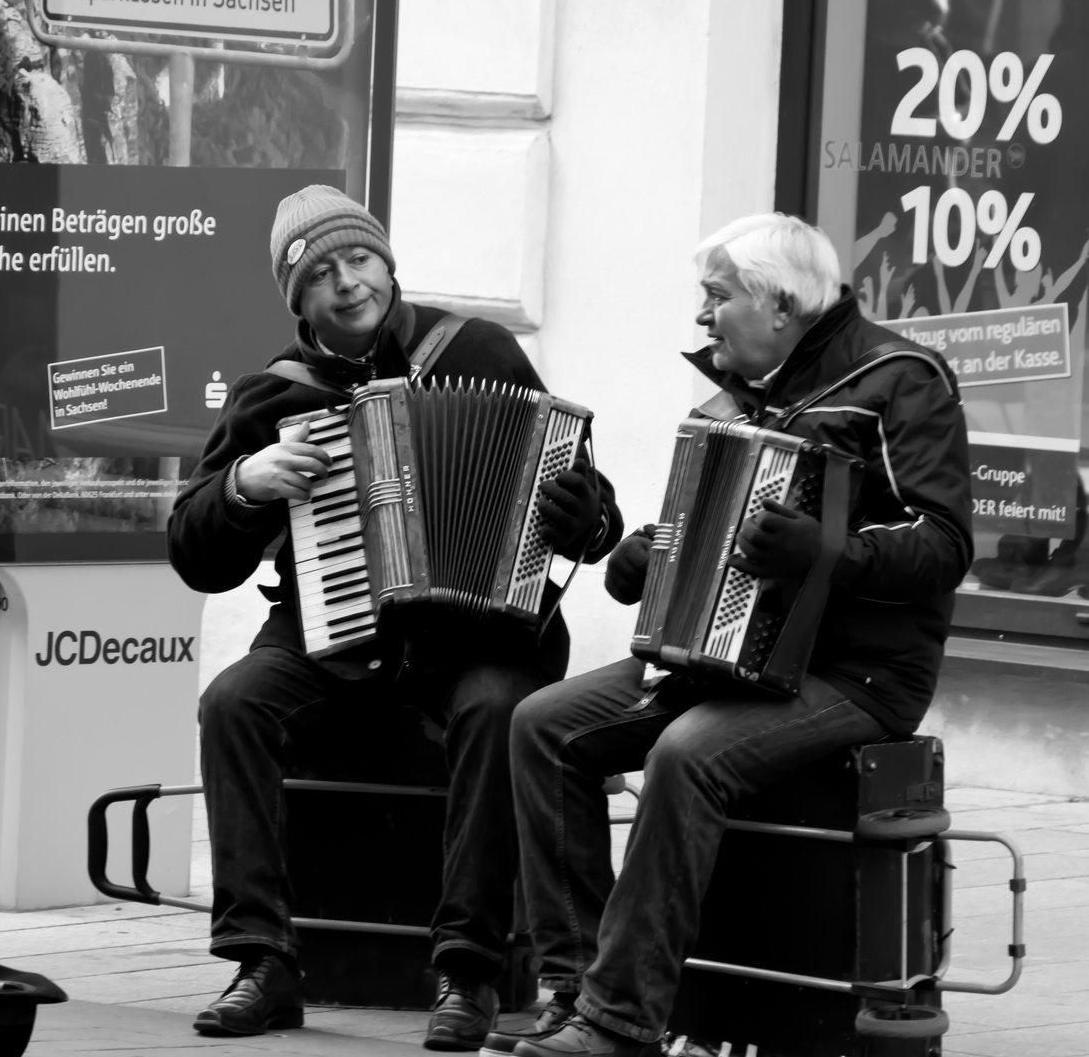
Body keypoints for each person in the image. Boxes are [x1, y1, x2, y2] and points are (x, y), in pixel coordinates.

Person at [482, 213, 973, 1057]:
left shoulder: (902, 381)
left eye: (716, 298)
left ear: (779, 306)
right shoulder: (742, 392)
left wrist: (830, 553)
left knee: (686, 752)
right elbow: (706, 532)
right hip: (732, 662)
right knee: (542, 726)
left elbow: (943, 543)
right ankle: (575, 986)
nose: (702, 319)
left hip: (859, 676)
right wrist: (647, 559)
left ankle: (619, 1022)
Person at [167, 184, 624, 1050]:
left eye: (358, 260)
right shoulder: (273, 396)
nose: (346, 284)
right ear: (297, 298)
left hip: (482, 635)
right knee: (234, 702)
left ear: (386, 263)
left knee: (497, 709)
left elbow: (593, 512)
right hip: (335, 638)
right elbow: (195, 552)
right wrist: (244, 485)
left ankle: (467, 973)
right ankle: (262, 961)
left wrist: (582, 516)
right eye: (321, 273)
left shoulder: (480, 350)